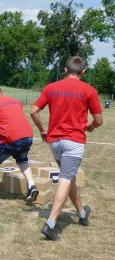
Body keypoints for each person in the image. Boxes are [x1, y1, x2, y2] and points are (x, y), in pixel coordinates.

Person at [30, 56, 103, 241]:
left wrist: (42, 130)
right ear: (83, 71)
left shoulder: (51, 87)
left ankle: (82, 214)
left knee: (68, 177)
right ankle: (51, 224)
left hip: (55, 142)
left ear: (65, 69)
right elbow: (99, 120)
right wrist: (92, 127)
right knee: (65, 179)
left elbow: (33, 110)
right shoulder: (89, 90)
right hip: (74, 142)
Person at [0, 85, 39, 204]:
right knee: (22, 160)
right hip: (28, 137)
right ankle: (32, 186)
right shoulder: (16, 101)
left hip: (10, 138)